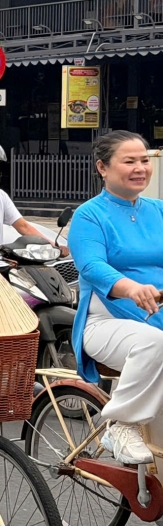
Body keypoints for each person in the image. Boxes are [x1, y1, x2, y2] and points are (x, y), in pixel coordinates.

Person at [68, 130, 163, 465]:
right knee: (153, 343)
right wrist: (130, 288)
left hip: (156, 318)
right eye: (129, 161)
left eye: (144, 160)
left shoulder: (159, 210)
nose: (140, 167)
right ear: (102, 168)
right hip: (106, 322)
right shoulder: (89, 215)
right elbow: (92, 265)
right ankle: (121, 424)